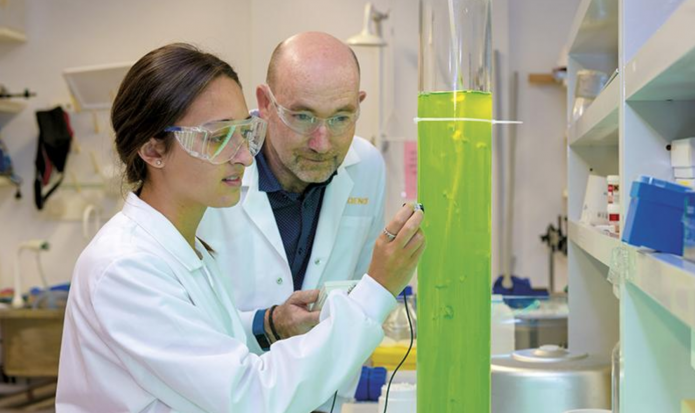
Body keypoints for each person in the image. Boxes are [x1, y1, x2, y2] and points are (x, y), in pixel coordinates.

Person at [56, 43, 425, 413]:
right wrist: (377, 290)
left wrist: (270, 325)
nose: (245, 156)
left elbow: (209, 347)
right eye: (218, 137)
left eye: (244, 132)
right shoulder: (125, 268)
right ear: (153, 151)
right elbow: (251, 395)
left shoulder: (189, 252)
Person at [198, 32, 387, 350]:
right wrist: (266, 324)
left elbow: (358, 292)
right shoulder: (212, 170)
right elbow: (182, 323)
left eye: (341, 117)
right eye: (302, 116)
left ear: (359, 104)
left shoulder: (366, 166)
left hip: (324, 392)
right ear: (265, 104)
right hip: (225, 389)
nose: (322, 143)